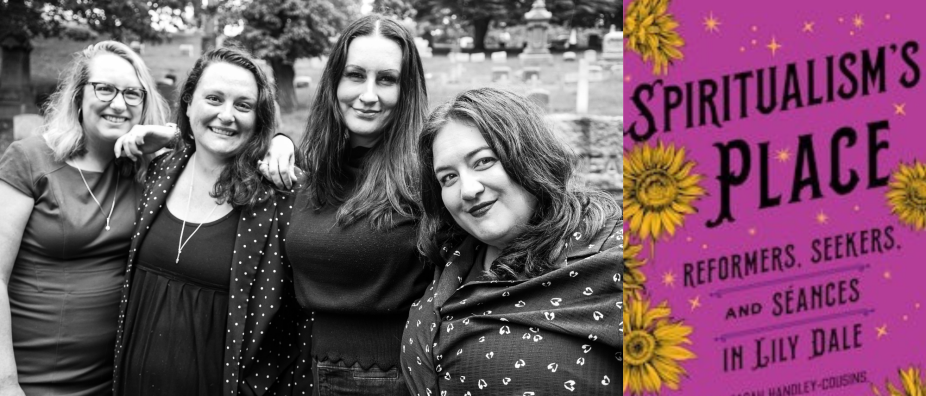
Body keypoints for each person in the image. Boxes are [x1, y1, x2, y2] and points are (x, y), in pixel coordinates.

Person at [111, 46, 309, 395]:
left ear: (259, 118)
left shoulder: (278, 198)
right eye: (214, 98)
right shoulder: (158, 171)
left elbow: (297, 324)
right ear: (188, 104)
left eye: (243, 105)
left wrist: (280, 141)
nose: (227, 115)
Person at [401, 87, 622, 394]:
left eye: (482, 162)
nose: (467, 189)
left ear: (528, 157)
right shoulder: (452, 261)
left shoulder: (617, 259)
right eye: (448, 177)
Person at [0, 41, 172, 396]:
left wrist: (171, 134)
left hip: (116, 379)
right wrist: (6, 383)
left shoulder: (146, 170)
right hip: (31, 379)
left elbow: (222, 146)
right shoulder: (30, 160)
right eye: (104, 89)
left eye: (132, 94)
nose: (119, 104)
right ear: (78, 96)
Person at [283, 14, 429, 395]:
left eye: (386, 79)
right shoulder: (310, 168)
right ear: (334, 81)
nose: (368, 95)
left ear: (406, 90)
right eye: (355, 75)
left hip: (387, 376)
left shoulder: (427, 176)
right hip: (301, 365)